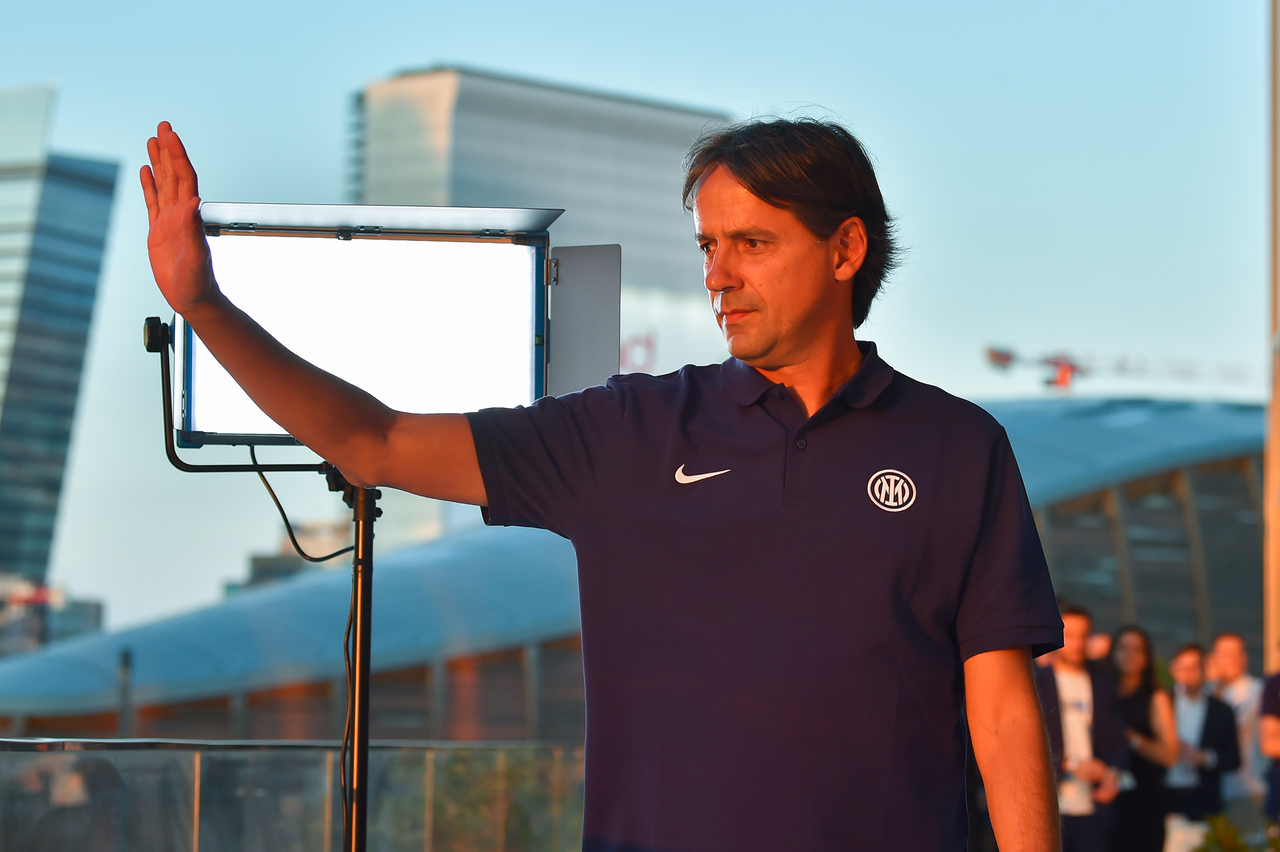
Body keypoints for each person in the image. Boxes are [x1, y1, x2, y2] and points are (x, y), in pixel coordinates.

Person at [142, 117, 1065, 852]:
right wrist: (204, 307)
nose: (718, 276)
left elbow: (1002, 711)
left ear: (845, 248)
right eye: (708, 246)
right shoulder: (628, 433)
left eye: (751, 243)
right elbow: (374, 442)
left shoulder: (960, 447)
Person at [1035, 605, 1127, 852]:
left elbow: (1119, 740)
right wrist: (1072, 766)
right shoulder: (1037, 682)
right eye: (1070, 635)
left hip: (1094, 808)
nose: (1077, 643)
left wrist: (1111, 774)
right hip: (1049, 805)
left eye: (1083, 635)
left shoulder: (1104, 684)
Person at [1107, 625, 1178, 852]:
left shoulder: (1156, 697)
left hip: (1144, 801)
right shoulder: (1102, 691)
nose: (1129, 655)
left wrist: (1131, 738)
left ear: (1147, 657)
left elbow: (1169, 756)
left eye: (1137, 649)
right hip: (1106, 801)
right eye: (1124, 648)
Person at [1165, 643, 1240, 850]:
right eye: (1183, 668)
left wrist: (1205, 757)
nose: (1188, 674)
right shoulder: (1163, 702)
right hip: (1165, 800)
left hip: (1203, 803)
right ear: (1174, 669)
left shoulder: (1221, 710)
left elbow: (1233, 758)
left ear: (1205, 669)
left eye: (1194, 668)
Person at [1211, 632, 1266, 834]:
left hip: (1249, 789)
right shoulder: (1208, 693)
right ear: (1214, 658)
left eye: (1237, 653)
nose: (1232, 659)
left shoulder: (1258, 691)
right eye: (1225, 654)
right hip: (1213, 794)